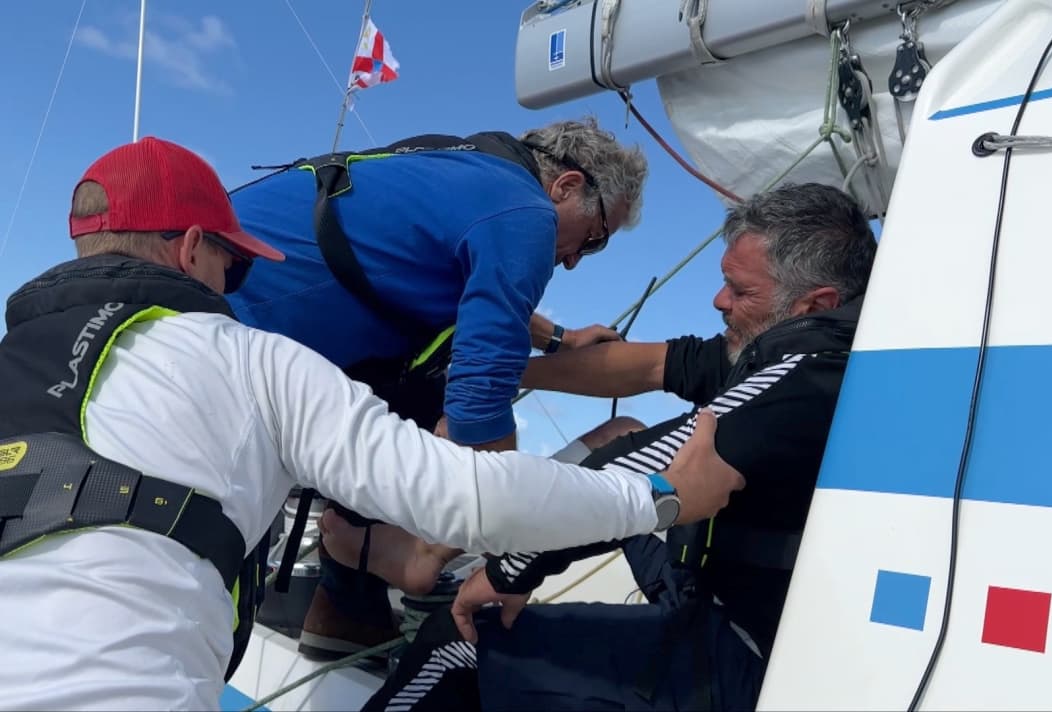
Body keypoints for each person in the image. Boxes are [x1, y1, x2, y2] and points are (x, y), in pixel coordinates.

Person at [0, 137, 738, 711]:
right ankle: (372, 575)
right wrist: (661, 497)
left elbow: (463, 319)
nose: (579, 259)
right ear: (195, 248)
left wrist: (549, 339)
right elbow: (477, 444)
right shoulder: (256, 360)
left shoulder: (16, 360)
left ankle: (345, 603)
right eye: (236, 264)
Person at [362, 182, 878, 711]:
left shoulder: (811, 371)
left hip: (747, 648)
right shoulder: (810, 342)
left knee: (451, 644)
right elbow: (650, 365)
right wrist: (496, 369)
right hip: (728, 581)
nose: (718, 301)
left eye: (739, 291)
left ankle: (442, 566)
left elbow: (635, 475)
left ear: (817, 304)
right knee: (619, 433)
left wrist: (507, 572)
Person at [225, 116, 649, 658]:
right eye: (593, 240)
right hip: (235, 356)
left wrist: (560, 339)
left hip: (221, 314)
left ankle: (347, 611)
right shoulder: (526, 214)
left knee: (421, 379)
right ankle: (407, 561)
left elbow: (462, 287)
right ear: (565, 186)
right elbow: (478, 406)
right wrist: (503, 554)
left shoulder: (466, 170)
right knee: (446, 393)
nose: (571, 261)